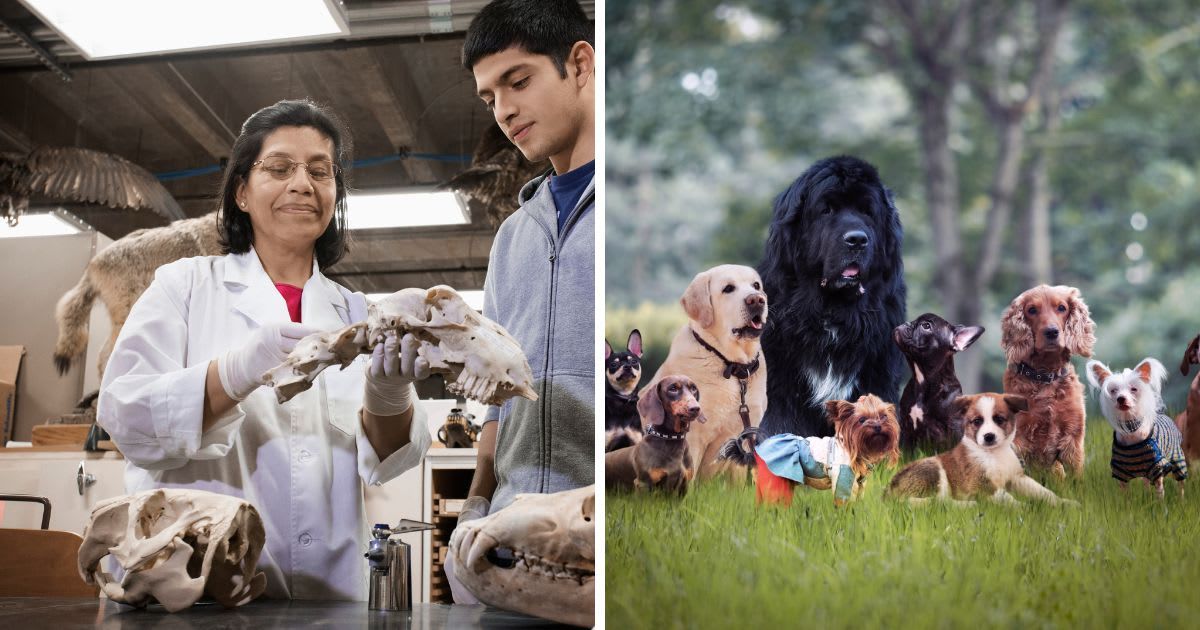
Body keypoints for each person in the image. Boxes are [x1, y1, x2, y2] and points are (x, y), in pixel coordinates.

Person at [97, 99, 432, 601]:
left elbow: (387, 461)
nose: (303, 183)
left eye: (321, 171)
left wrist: (388, 393)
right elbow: (124, 416)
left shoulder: (358, 312)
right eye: (279, 168)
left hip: (329, 591)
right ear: (241, 193)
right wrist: (231, 375)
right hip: (198, 588)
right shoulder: (184, 287)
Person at [446, 0, 595, 603]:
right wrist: (477, 503)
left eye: (519, 81)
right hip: (507, 543)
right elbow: (496, 395)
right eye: (489, 98)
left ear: (579, 65)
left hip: (599, 539)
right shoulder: (512, 236)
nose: (504, 110)